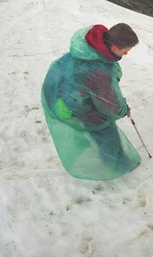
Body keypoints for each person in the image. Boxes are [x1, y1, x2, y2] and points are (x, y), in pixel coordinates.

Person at [41, 23, 141, 180]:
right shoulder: (99, 70)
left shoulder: (89, 49)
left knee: (95, 128)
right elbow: (109, 104)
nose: (126, 54)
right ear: (114, 47)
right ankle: (118, 165)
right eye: (125, 51)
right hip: (80, 106)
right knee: (107, 136)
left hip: (65, 98)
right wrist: (123, 110)